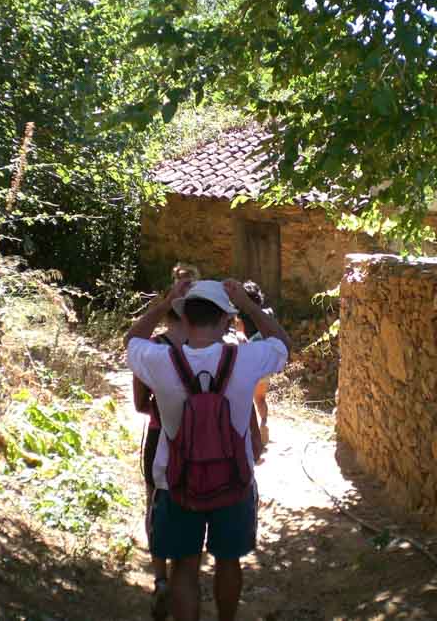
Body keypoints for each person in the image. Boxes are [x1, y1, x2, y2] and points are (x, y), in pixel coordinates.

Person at [125, 279, 291, 621]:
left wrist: (164, 301)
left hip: (177, 483)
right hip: (234, 481)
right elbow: (282, 343)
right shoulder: (246, 358)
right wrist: (247, 304)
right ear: (226, 321)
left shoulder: (159, 360)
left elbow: (131, 341)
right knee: (228, 562)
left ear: (185, 320)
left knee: (184, 566)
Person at [131, 262, 199, 619]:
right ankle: (188, 575)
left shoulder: (154, 349)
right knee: (196, 501)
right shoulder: (212, 347)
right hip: (202, 441)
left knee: (155, 502)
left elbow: (140, 403)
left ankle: (161, 579)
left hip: (160, 435)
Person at [233, 280, 272, 448]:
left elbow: (240, 341)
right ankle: (264, 425)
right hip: (264, 364)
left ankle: (249, 435)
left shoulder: (239, 319)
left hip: (247, 366)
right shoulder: (268, 314)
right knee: (261, 399)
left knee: (245, 402)